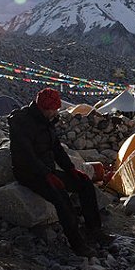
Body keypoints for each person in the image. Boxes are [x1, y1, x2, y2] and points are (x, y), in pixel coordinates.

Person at [8, 88, 109, 257]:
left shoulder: (46, 122)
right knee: (61, 197)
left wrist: (71, 169)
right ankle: (77, 244)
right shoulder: (22, 122)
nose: (56, 112)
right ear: (45, 108)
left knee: (84, 184)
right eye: (54, 109)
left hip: (47, 171)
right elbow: (27, 155)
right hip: (28, 173)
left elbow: (56, 148)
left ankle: (94, 230)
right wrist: (47, 175)